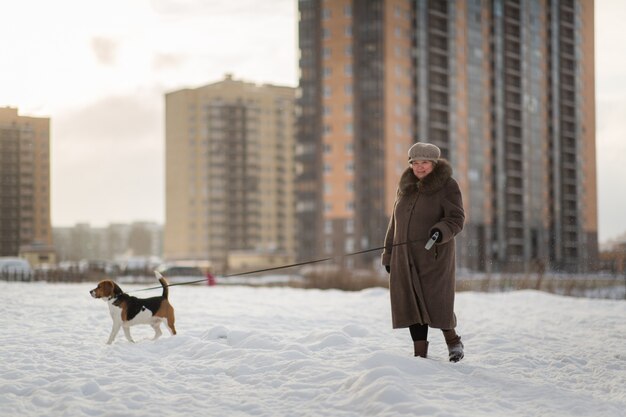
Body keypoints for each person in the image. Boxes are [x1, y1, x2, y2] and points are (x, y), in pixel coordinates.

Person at [381, 142, 465, 362]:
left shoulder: (447, 186)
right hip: (404, 258)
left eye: (424, 163)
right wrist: (388, 254)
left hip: (433, 256)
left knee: (437, 301)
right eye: (415, 163)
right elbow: (394, 224)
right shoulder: (405, 187)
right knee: (410, 303)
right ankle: (420, 355)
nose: (419, 167)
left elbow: (456, 219)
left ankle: (453, 341)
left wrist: (440, 231)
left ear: (434, 164)